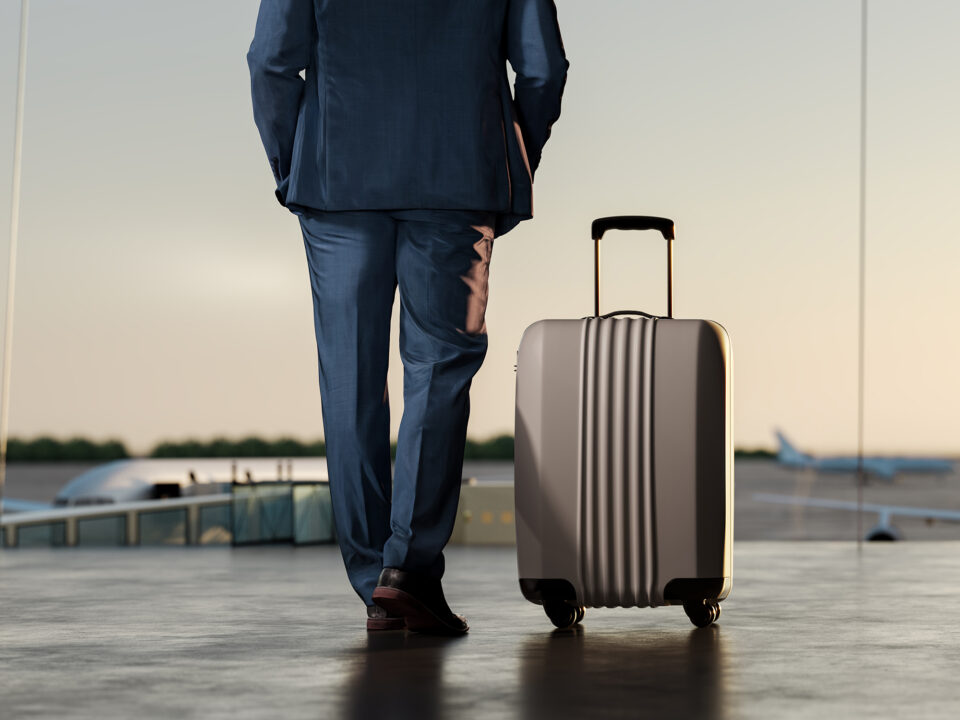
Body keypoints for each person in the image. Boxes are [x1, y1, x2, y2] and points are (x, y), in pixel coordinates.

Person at [246, 0, 568, 635]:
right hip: (457, 178)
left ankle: (374, 579)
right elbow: (542, 70)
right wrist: (507, 150)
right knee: (440, 370)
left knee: (350, 380)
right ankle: (408, 573)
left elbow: (271, 61)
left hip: (335, 181)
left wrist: (293, 163)